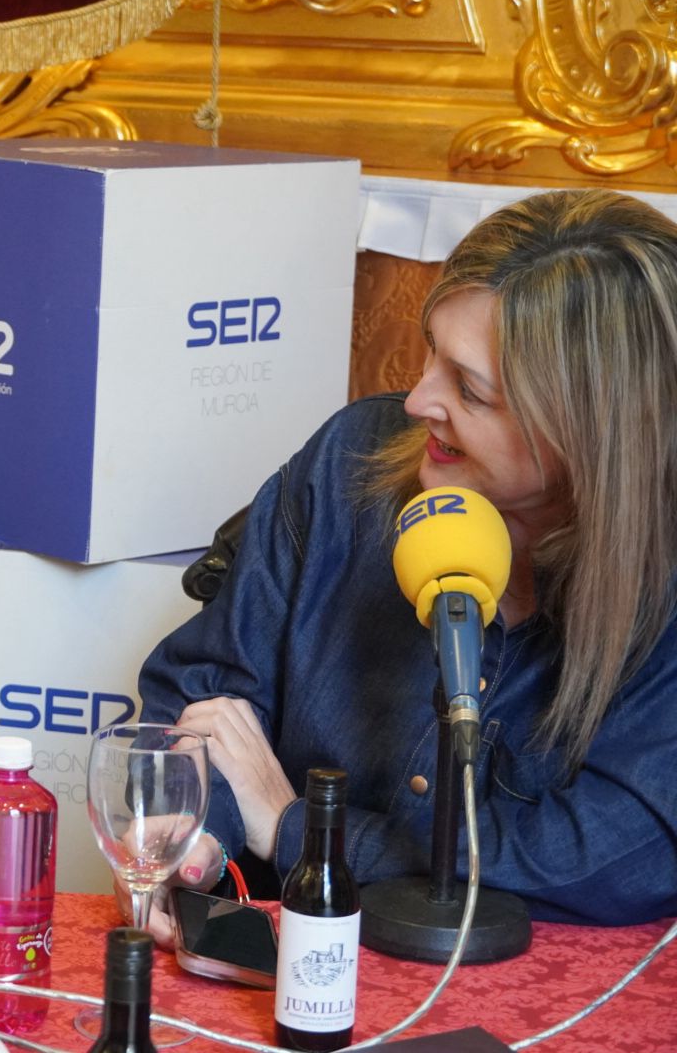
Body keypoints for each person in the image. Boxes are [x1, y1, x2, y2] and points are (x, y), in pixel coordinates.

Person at [139, 188, 677, 935]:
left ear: (588, 433)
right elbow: (207, 695)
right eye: (431, 351)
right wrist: (193, 837)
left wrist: (297, 829)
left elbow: (600, 866)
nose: (419, 399)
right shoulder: (350, 461)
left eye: (471, 390)